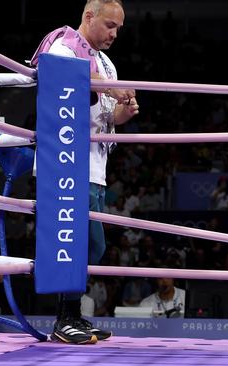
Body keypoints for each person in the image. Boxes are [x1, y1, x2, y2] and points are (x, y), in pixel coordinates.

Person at [31, 0, 139, 344]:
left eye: (119, 28)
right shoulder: (63, 45)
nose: (114, 34)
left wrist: (124, 109)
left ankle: (73, 313)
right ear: (88, 16)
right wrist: (111, 88)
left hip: (94, 165)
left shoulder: (105, 62)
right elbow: (65, 77)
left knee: (91, 246)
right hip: (65, 163)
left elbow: (108, 118)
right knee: (75, 241)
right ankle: (65, 318)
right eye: (109, 25)